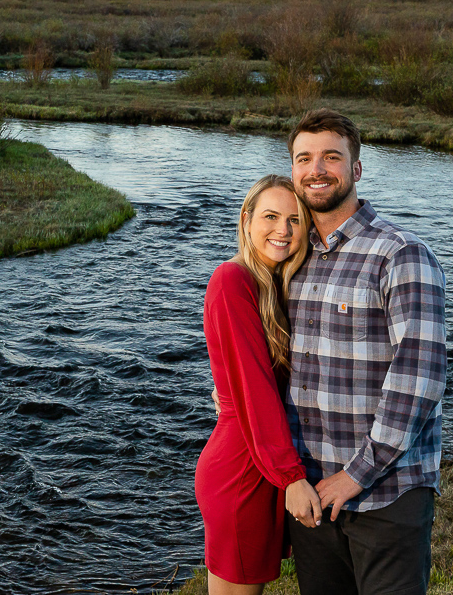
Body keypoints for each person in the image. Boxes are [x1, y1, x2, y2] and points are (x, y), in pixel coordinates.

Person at [284, 108, 447, 595]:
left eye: (331, 157)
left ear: (356, 169)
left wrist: (355, 475)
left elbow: (420, 376)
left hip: (386, 495)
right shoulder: (290, 258)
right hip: (312, 496)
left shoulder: (400, 253)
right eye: (304, 159)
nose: (316, 170)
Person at [196, 175, 324, 595]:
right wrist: (291, 477)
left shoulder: (275, 281)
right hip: (241, 468)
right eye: (271, 217)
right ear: (246, 219)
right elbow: (253, 387)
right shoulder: (231, 280)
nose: (283, 231)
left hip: (263, 458)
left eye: (294, 219)